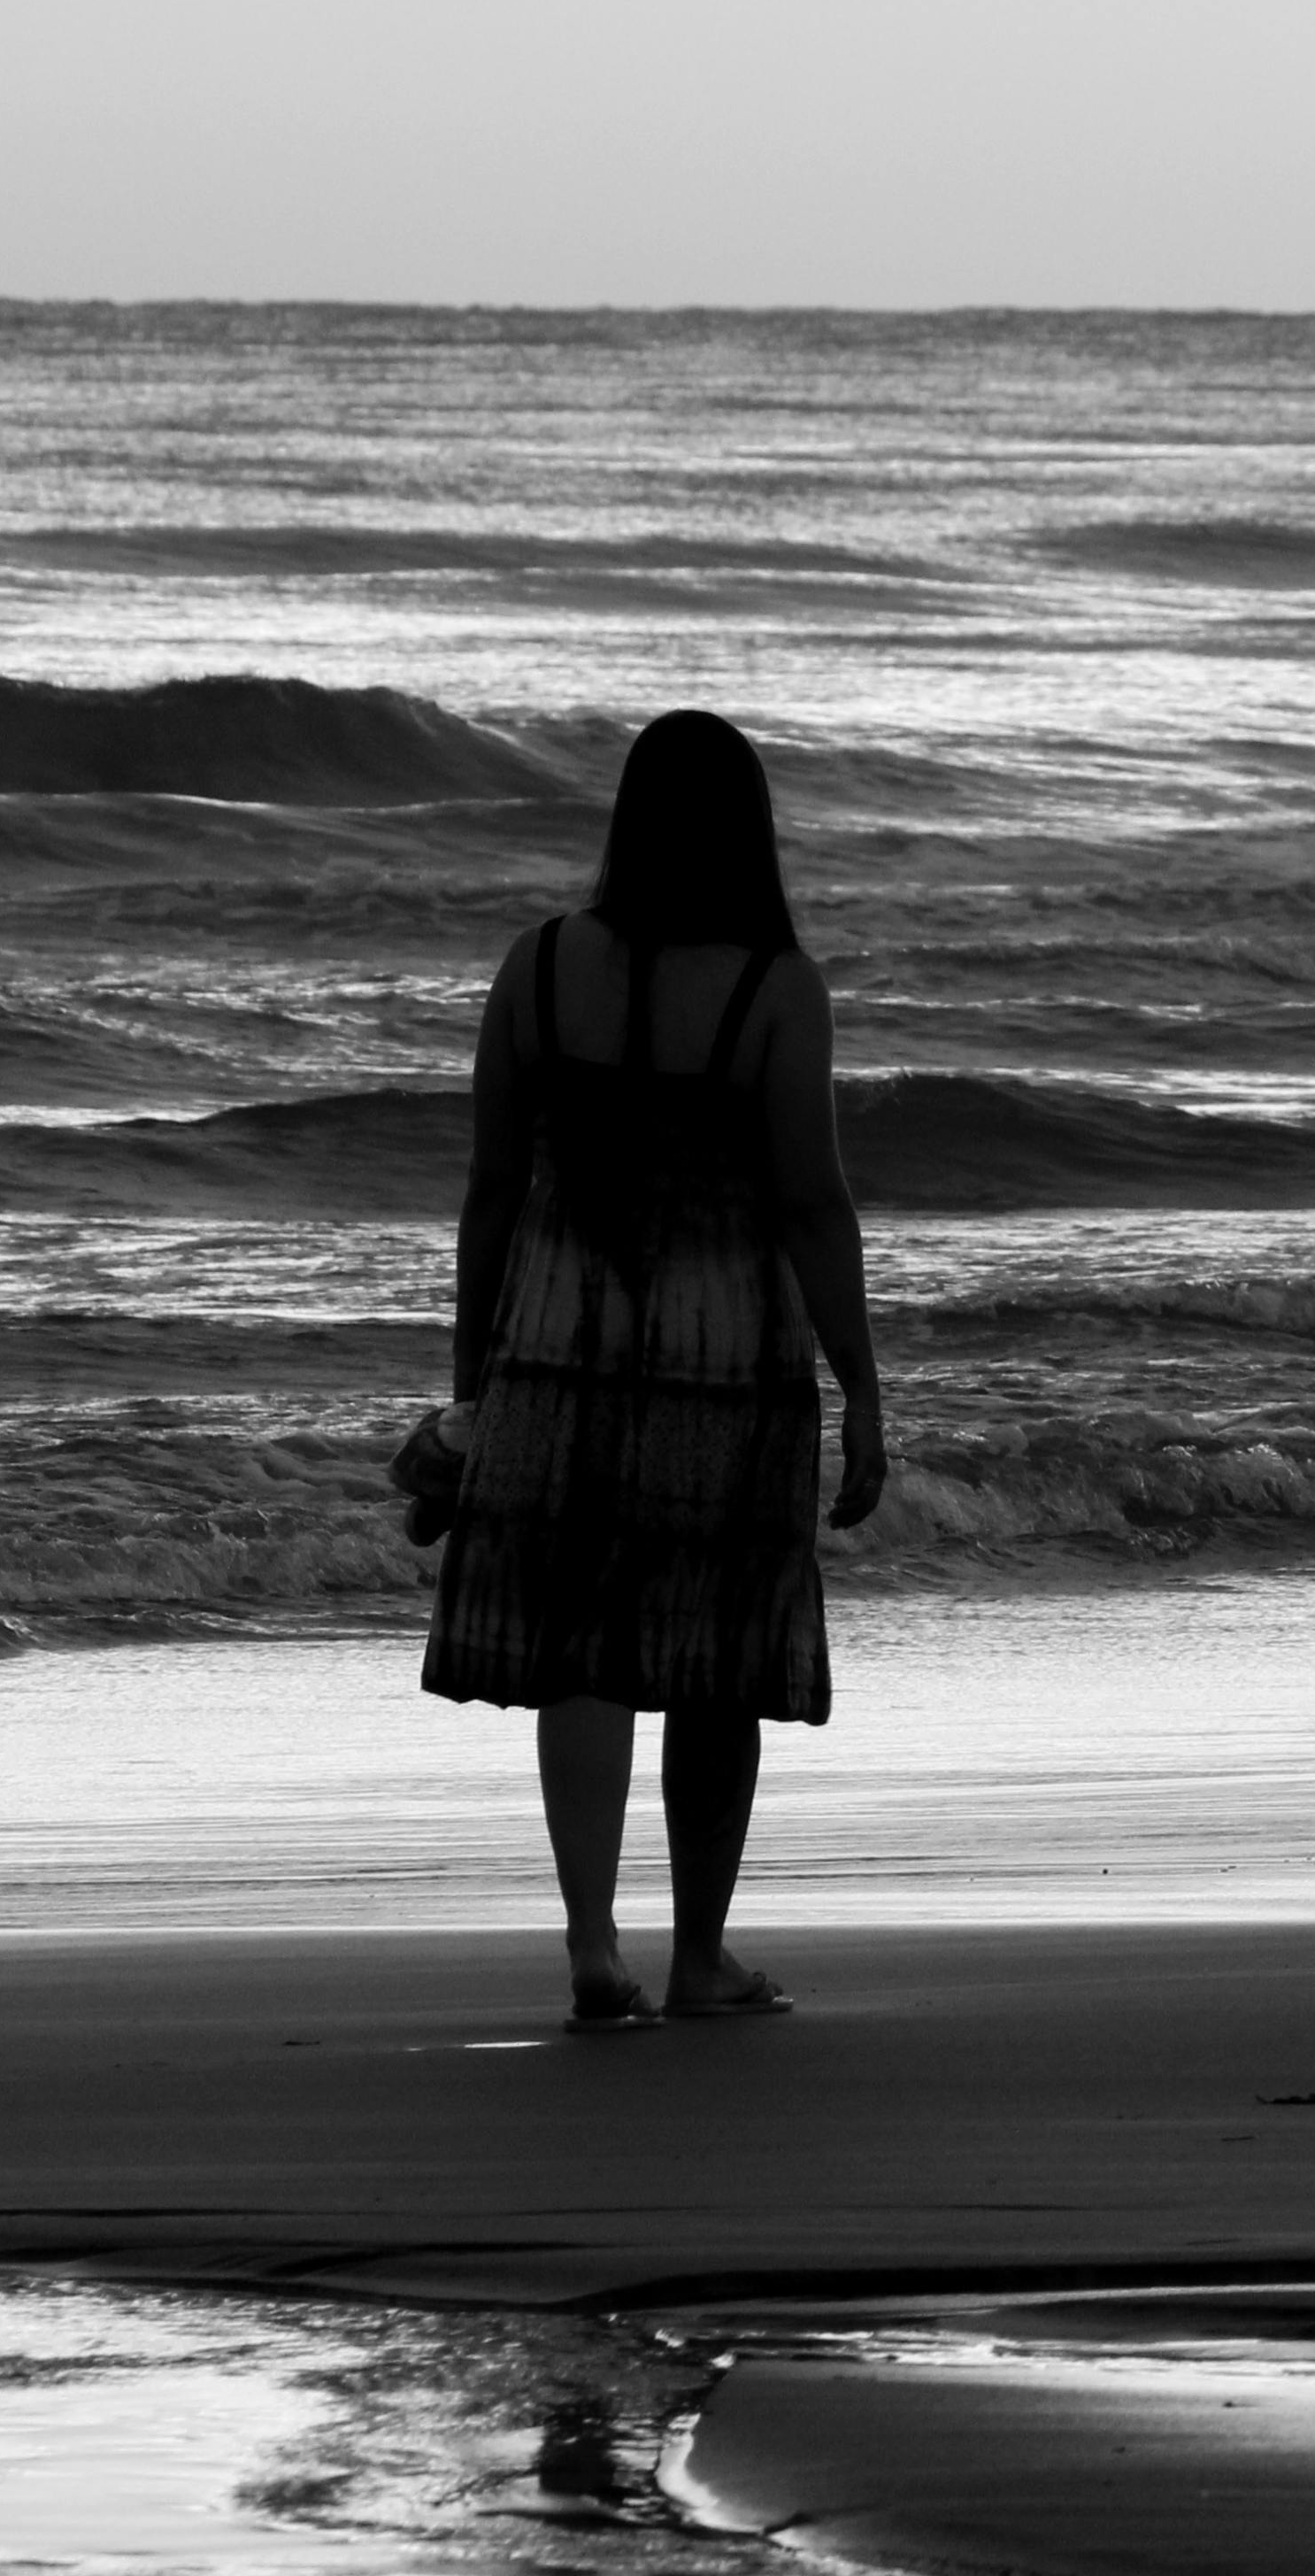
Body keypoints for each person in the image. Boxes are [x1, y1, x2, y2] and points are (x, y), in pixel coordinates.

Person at [419, 709, 888, 2026]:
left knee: (580, 1648)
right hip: (724, 1356)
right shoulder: (774, 991)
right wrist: (862, 1388)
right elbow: (812, 1206)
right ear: (749, 830)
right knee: (715, 1656)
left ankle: (588, 1943)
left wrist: (475, 1384)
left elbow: (492, 1195)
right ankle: (698, 1959)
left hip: (554, 1345)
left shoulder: (540, 965)